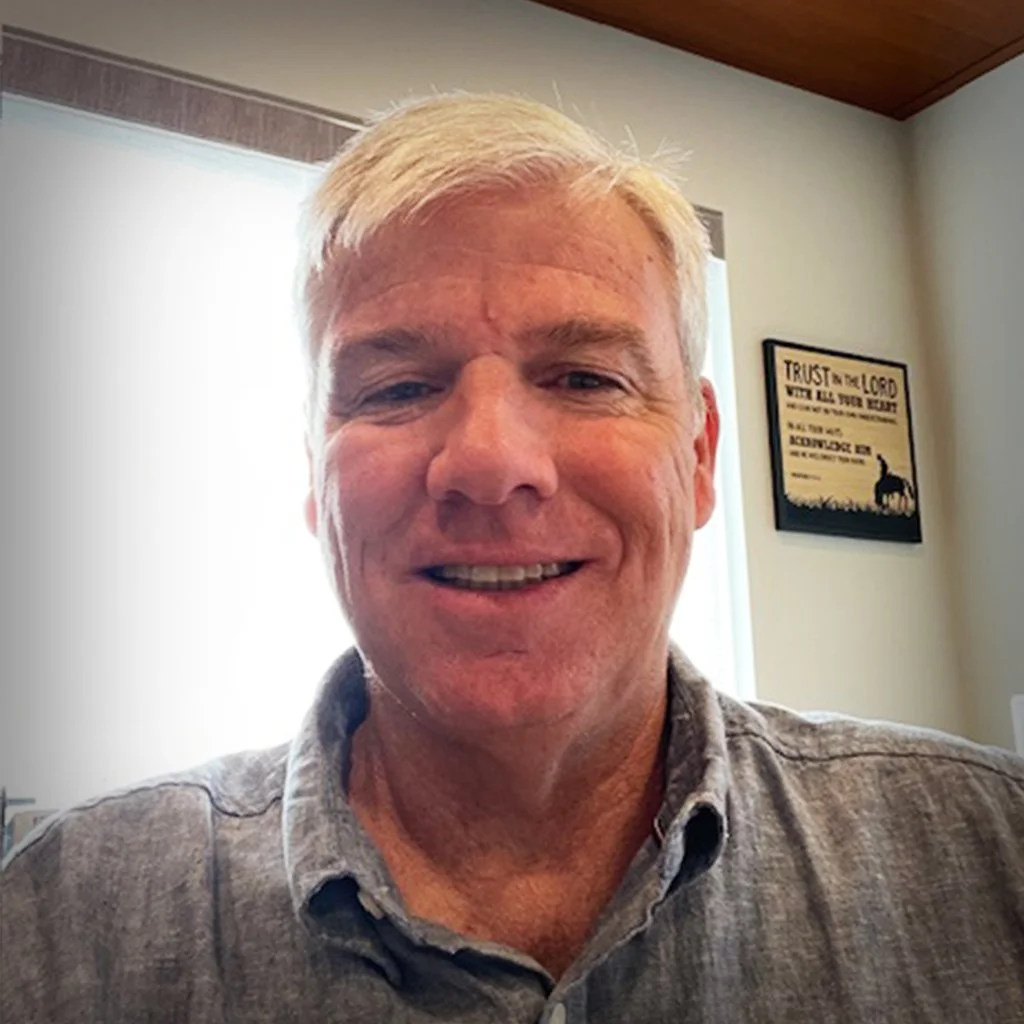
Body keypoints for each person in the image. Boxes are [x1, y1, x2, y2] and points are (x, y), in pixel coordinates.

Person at [2, 93, 1022, 1023]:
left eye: (584, 377)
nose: (488, 463)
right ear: (315, 474)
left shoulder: (991, 854)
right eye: (397, 388)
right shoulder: (55, 918)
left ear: (701, 454)